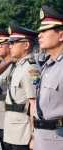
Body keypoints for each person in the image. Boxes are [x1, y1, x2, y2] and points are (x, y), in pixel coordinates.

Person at [3, 22, 41, 150]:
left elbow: (34, 104)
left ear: (26, 45)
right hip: (12, 127)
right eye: (10, 43)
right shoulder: (19, 66)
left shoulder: (31, 68)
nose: (10, 46)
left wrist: (34, 135)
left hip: (23, 131)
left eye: (14, 42)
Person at [33, 5, 63, 150]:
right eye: (40, 31)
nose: (40, 35)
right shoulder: (48, 65)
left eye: (45, 31)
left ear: (61, 35)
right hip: (43, 140)